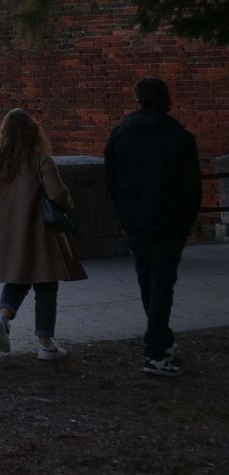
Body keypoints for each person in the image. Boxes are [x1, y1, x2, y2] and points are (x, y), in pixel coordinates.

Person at [105, 77, 201, 377]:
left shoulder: (121, 134)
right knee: (162, 284)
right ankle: (156, 348)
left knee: (147, 281)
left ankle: (159, 341)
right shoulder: (180, 138)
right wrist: (186, 221)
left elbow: (113, 180)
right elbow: (191, 187)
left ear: (138, 99)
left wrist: (125, 214)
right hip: (170, 222)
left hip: (137, 220)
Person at [0, 109, 86, 360]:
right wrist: (69, 203)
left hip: (8, 232)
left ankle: (2, 317)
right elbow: (58, 194)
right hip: (40, 232)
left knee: (16, 280)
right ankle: (45, 342)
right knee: (46, 286)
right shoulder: (41, 160)